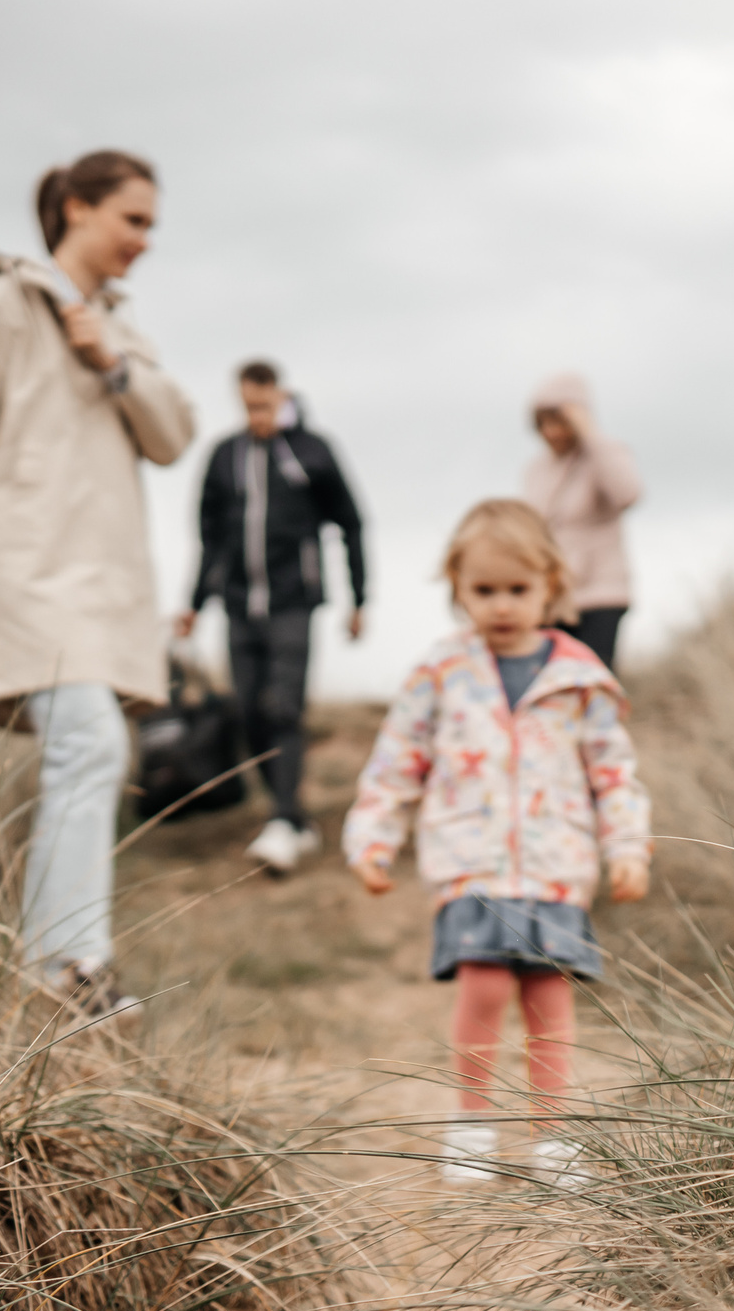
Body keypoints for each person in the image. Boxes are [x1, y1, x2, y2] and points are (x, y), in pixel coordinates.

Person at [0, 149, 196, 1015]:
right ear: (76, 207)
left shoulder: (122, 329)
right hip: (24, 566)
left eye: (151, 226)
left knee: (92, 751)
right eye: (133, 219)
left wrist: (115, 363)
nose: (144, 240)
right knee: (91, 744)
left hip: (107, 580)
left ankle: (61, 964)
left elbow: (174, 435)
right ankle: (67, 966)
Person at [343, 499, 651, 1186]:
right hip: (470, 862)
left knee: (550, 995)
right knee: (482, 985)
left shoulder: (580, 678)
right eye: (484, 590)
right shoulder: (441, 672)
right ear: (458, 587)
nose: (502, 605)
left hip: (556, 865)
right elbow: (399, 760)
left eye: (518, 589)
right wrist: (373, 838)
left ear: (551, 584)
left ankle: (553, 1131)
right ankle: (473, 1121)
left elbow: (613, 771)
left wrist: (628, 847)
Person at [174, 361, 367, 874]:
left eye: (265, 404)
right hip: (238, 605)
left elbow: (351, 523)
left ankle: (283, 820)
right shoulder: (224, 456)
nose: (257, 414)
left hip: (293, 603)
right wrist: (194, 603)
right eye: (248, 405)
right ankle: (292, 816)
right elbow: (209, 538)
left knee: (284, 707)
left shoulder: (310, 452)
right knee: (246, 712)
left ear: (282, 397)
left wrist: (359, 599)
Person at [522, 372, 642, 671]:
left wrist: (591, 435)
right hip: (551, 596)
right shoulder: (536, 470)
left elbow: (628, 494)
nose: (553, 432)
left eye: (561, 422)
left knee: (593, 682)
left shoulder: (606, 455)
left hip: (600, 593)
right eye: (545, 423)